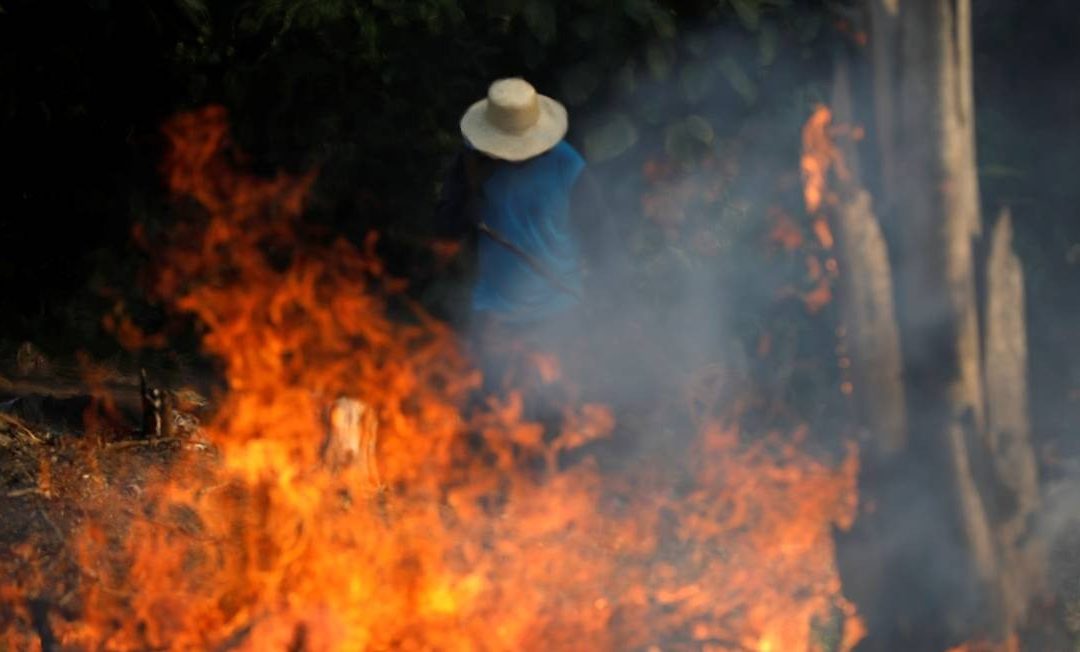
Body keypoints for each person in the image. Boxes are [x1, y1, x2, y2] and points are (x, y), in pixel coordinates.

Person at [434, 78, 624, 404]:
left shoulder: (568, 167)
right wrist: (466, 207)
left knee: (554, 411)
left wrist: (614, 298)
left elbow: (602, 238)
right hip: (495, 313)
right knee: (495, 411)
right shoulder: (473, 163)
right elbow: (445, 227)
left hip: (558, 312)